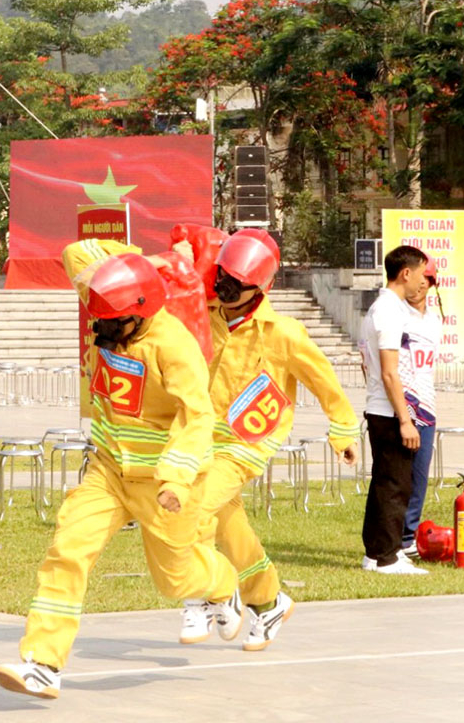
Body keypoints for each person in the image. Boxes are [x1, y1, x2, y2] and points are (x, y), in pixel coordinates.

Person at [0, 245, 241, 700]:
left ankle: (224, 585)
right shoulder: (110, 303)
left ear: (143, 312)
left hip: (165, 485)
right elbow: (73, 253)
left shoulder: (174, 346)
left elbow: (197, 416)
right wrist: (148, 261)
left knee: (175, 580)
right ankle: (43, 663)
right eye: (98, 321)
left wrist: (175, 478)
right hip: (108, 471)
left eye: (113, 324)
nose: (102, 331)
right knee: (67, 550)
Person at [178, 228, 360, 650]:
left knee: (194, 507)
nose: (223, 289)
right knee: (229, 526)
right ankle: (269, 599)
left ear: (259, 289)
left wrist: (343, 430)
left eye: (235, 285)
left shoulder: (284, 333)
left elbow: (324, 381)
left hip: (245, 445)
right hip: (202, 438)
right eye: (221, 278)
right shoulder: (205, 314)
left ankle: (209, 595)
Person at [359, 245, 430, 575]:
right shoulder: (388, 311)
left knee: (384, 483)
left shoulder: (383, 308)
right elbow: (390, 371)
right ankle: (386, 556)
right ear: (406, 273)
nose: (422, 281)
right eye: (421, 273)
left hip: (381, 407)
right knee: (395, 487)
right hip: (389, 412)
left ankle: (377, 552)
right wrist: (405, 419)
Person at [399, 255, 443, 555]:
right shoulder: (395, 316)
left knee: (419, 477)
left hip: (427, 406)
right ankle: (392, 540)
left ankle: (408, 536)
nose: (419, 286)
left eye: (425, 280)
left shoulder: (434, 320)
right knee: (394, 479)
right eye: (417, 278)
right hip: (399, 406)